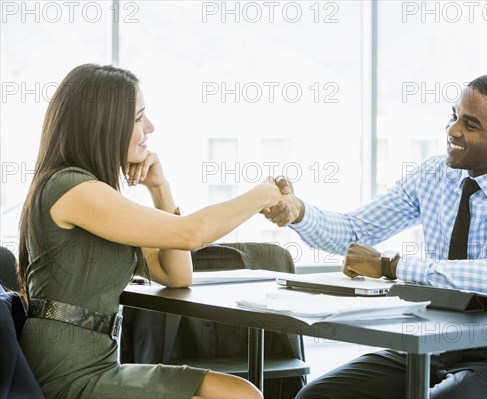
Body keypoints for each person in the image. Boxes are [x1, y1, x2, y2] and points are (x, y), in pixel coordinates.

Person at [263, 72, 487, 399]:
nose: (453, 130)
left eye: (471, 124)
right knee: (318, 396)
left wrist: (391, 266)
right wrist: (299, 211)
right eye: (453, 116)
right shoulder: (435, 176)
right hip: (430, 348)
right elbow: (355, 231)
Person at [17, 63, 293, 399]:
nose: (150, 127)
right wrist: (264, 193)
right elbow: (192, 233)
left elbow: (176, 275)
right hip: (66, 377)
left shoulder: (92, 192)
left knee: (241, 391)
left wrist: (160, 188)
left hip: (99, 366)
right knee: (240, 395)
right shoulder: (72, 188)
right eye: (138, 118)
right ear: (103, 124)